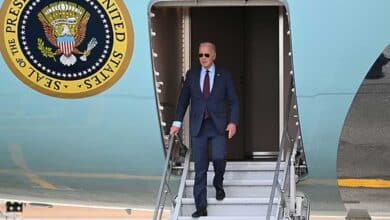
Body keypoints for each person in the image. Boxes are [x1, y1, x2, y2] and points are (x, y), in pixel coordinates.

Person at [170, 42, 239, 218]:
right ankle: (201, 206)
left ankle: (218, 183)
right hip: (198, 126)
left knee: (218, 158)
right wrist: (177, 122)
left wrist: (233, 122)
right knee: (200, 167)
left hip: (218, 126)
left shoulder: (224, 76)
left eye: (206, 55)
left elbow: (234, 101)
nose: (203, 58)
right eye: (200, 55)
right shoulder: (192, 75)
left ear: (214, 56)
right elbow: (183, 100)